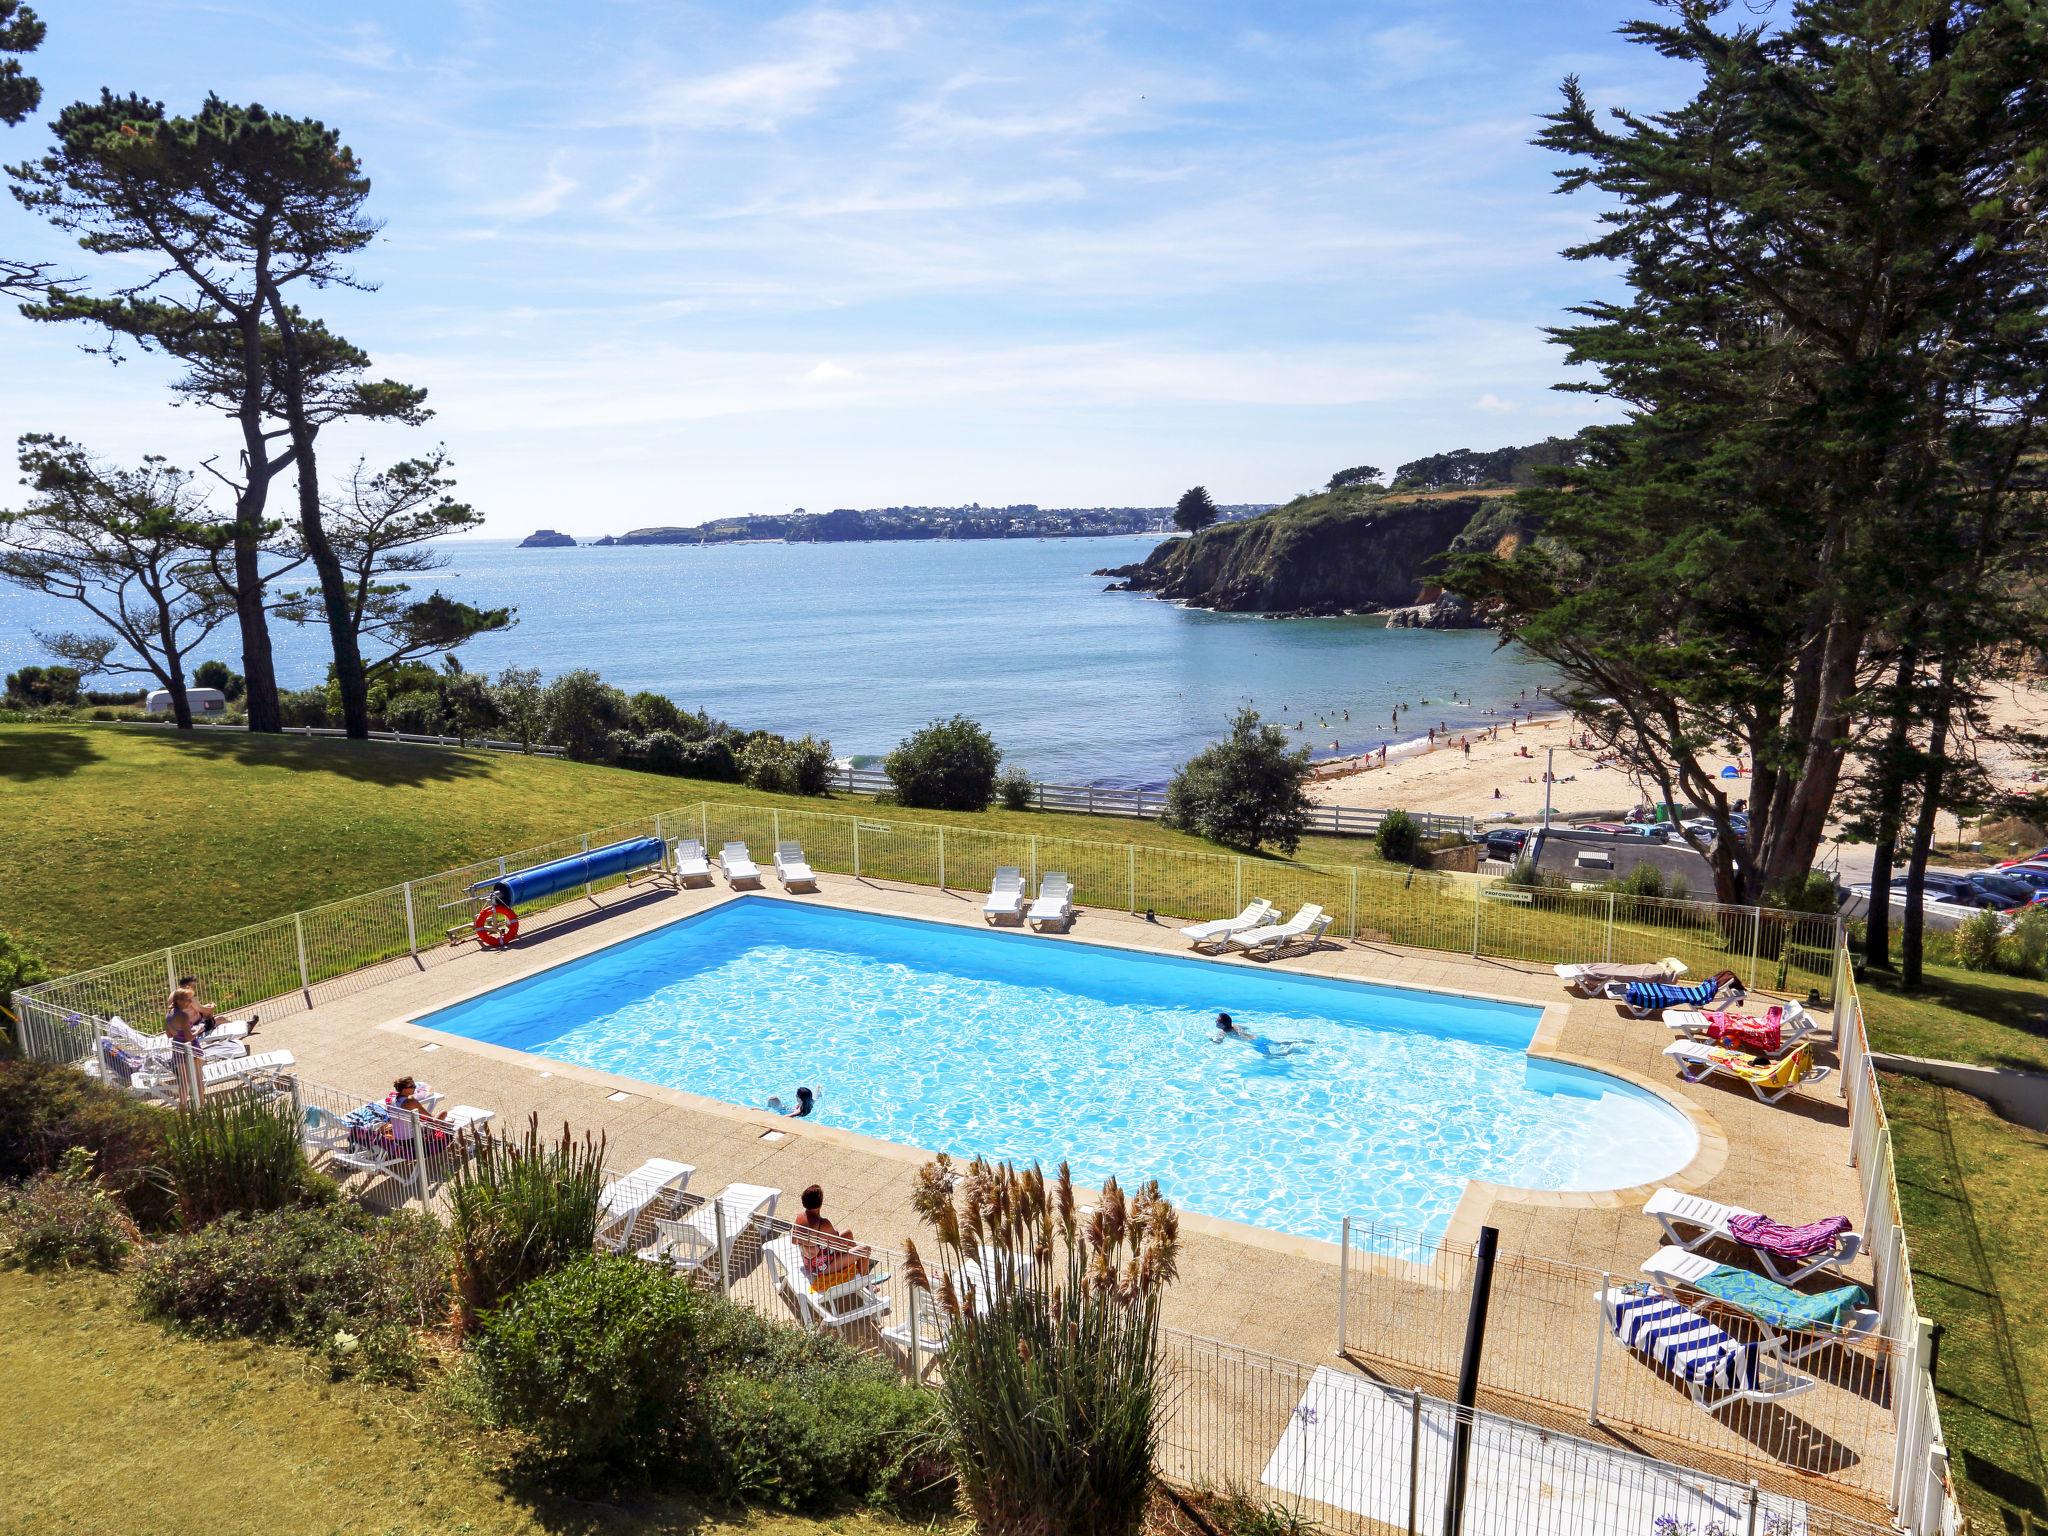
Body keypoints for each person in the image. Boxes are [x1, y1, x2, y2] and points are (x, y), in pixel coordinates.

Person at [794, 1184, 872, 1283]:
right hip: (822, 1268)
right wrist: (854, 1248)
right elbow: (838, 1244)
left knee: (847, 1233)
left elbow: (794, 1241)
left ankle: (856, 1267)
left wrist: (812, 1242)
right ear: (820, 1203)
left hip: (809, 1263)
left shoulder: (799, 1218)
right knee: (865, 1250)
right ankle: (865, 1284)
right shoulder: (823, 1223)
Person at [178, 974, 258, 1036]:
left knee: (219, 1019)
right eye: (193, 987)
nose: (194, 989)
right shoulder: (190, 998)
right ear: (187, 986)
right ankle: (245, 1027)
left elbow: (195, 1009)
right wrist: (211, 1006)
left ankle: (245, 1026)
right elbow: (205, 1010)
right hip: (197, 1027)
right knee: (220, 1019)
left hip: (187, 1027)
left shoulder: (177, 997)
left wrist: (206, 1006)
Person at [1209, 1012, 1298, 1058]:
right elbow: (1246, 1028)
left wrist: (1211, 1039)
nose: (1215, 1021)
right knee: (1278, 1043)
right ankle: (1296, 1042)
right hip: (1257, 1037)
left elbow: (1219, 1042)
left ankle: (1289, 1052)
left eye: (1217, 1021)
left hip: (1254, 1043)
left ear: (1222, 1025)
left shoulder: (1223, 1032)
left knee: (1268, 1056)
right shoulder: (1235, 1025)